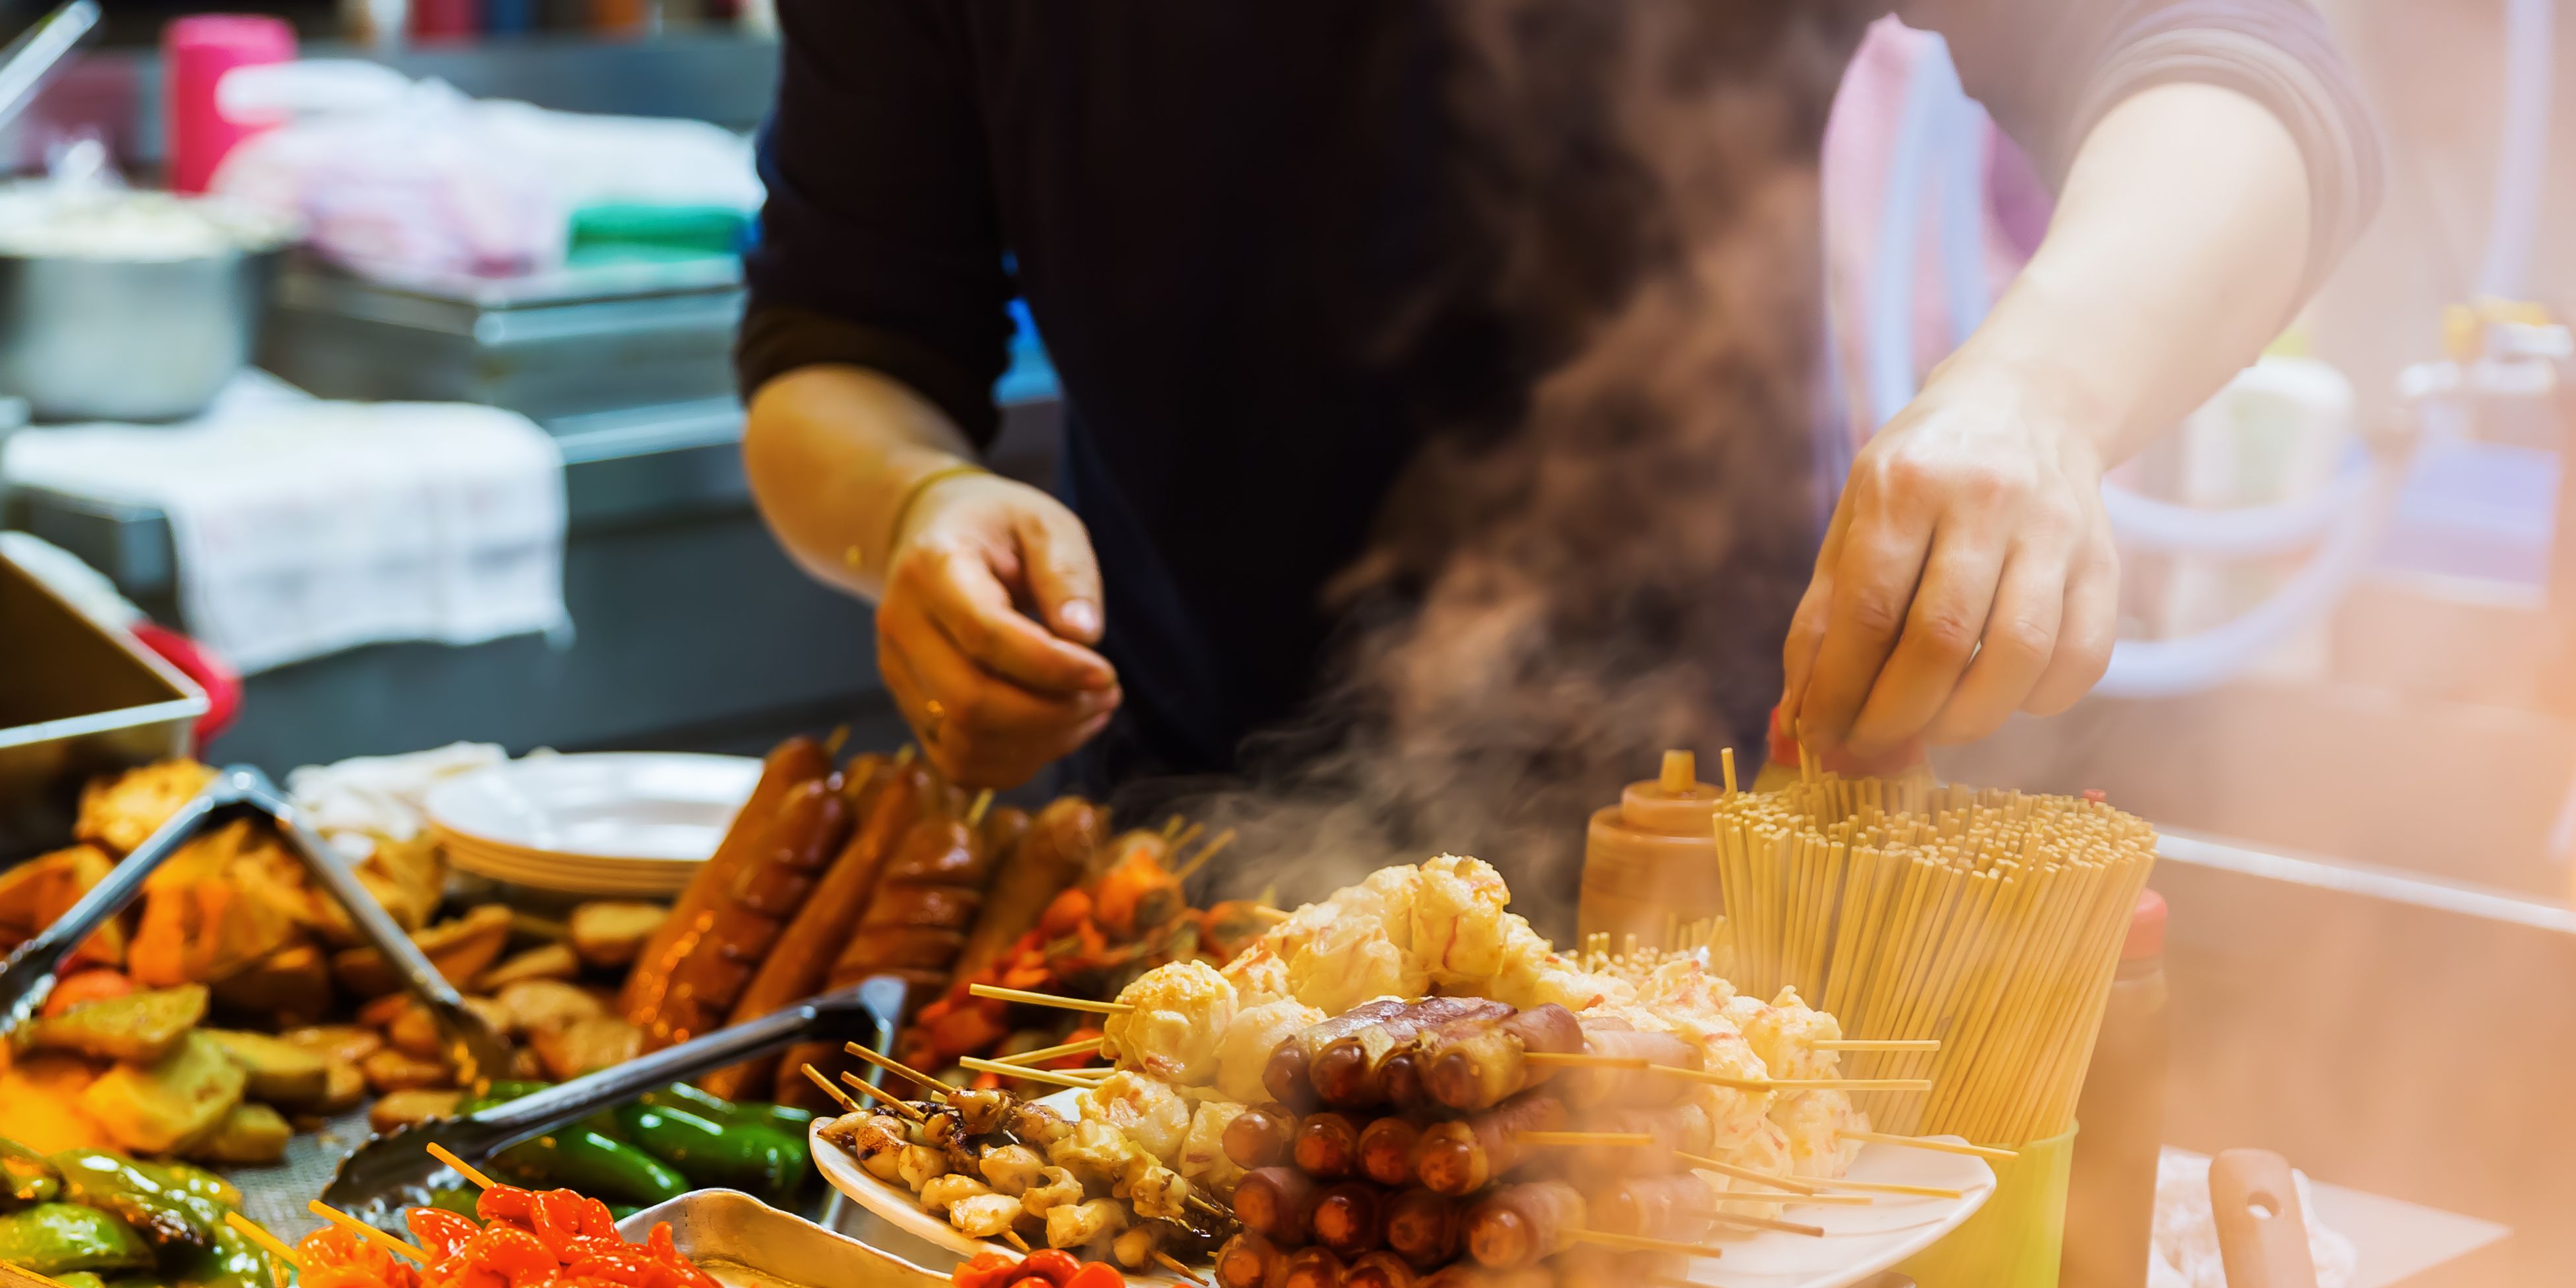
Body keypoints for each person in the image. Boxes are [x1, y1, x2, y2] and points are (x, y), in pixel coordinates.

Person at [737, 3, 2377, 795]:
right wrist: (912, 506)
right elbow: (841, 340)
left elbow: (2240, 69)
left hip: (1705, 862)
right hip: (1178, 870)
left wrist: (2037, 396)